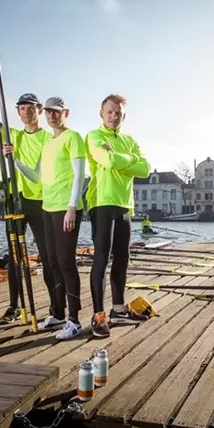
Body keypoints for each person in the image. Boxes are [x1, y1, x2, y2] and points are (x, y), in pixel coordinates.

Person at [0, 73, 54, 324]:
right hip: (15, 200)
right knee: (15, 256)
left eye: (31, 108)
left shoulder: (49, 137)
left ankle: (55, 307)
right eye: (22, 108)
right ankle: (13, 307)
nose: (26, 112)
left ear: (39, 110)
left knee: (47, 254)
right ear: (18, 112)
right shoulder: (11, 135)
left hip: (40, 202)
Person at [9, 96, 86, 340]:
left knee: (65, 262)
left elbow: (80, 176)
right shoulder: (48, 144)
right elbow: (35, 176)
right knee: (50, 261)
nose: (53, 116)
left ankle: (74, 320)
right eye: (50, 112)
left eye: (57, 112)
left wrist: (72, 207)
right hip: (48, 206)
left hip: (67, 207)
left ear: (66, 113)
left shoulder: (73, 138)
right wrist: (14, 160)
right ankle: (58, 313)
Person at [85, 94, 152, 338]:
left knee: (122, 257)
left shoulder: (129, 140)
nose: (114, 116)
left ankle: (118, 309)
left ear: (125, 115)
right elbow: (106, 159)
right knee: (102, 258)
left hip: (124, 205)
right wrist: (128, 161)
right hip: (102, 202)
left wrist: (122, 159)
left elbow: (144, 168)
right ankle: (98, 315)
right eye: (110, 112)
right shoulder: (94, 136)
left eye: (118, 112)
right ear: (101, 113)